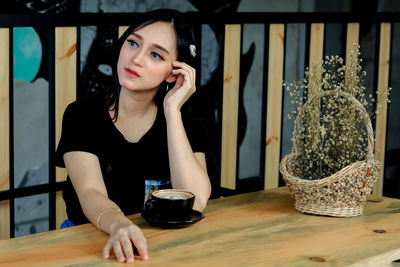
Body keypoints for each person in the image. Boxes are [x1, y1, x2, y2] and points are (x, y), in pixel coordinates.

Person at [55, 9, 211, 263]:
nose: (136, 58)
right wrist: (119, 225)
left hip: (160, 248)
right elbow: (90, 192)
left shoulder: (186, 122)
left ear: (174, 73)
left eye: (155, 54)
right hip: (89, 242)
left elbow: (194, 201)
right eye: (133, 43)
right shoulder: (81, 114)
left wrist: (172, 112)